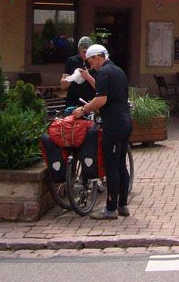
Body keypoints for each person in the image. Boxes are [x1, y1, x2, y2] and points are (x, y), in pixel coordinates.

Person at [72, 44, 133, 220]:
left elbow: (101, 99)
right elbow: (105, 91)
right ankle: (123, 205)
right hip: (126, 122)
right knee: (121, 165)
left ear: (98, 57)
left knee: (111, 166)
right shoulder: (118, 71)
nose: (91, 66)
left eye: (91, 62)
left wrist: (83, 110)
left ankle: (110, 208)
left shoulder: (104, 72)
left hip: (113, 124)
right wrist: (89, 78)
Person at [60, 36, 96, 109]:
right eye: (83, 51)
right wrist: (72, 77)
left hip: (89, 102)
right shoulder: (71, 60)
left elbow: (99, 87)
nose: (85, 54)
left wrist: (87, 76)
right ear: (79, 49)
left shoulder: (95, 62)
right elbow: (63, 86)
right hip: (73, 101)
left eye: (87, 52)